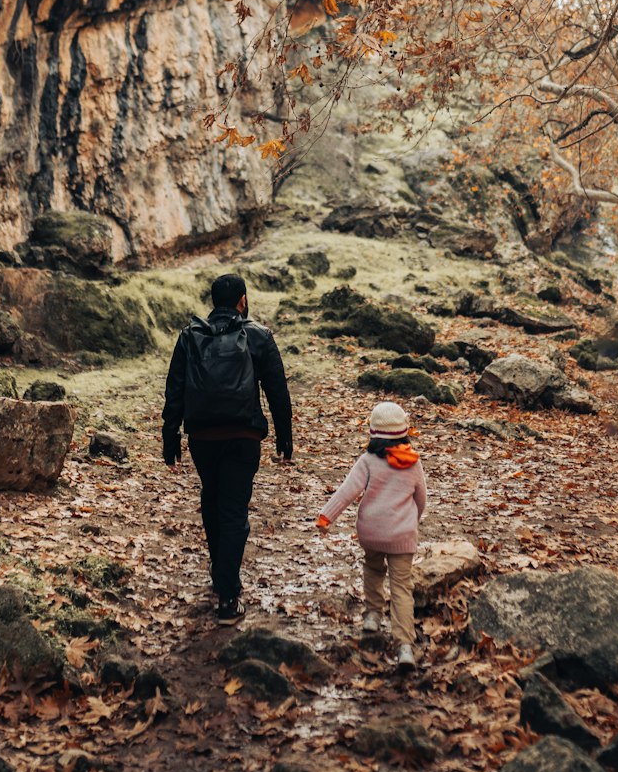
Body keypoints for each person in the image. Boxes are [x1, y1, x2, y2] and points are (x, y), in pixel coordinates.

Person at [163, 273, 293, 625]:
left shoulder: (190, 336)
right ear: (242, 301)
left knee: (212, 498)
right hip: (243, 437)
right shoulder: (259, 335)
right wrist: (285, 437)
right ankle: (228, 596)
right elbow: (278, 391)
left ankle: (220, 571)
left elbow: (175, 389)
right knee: (234, 510)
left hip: (202, 438)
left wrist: (170, 436)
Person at [316, 400, 427, 670]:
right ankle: (404, 647)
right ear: (404, 431)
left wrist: (325, 516)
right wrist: (412, 520)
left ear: (372, 432)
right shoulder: (413, 463)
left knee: (373, 569)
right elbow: (421, 498)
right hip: (402, 535)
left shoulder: (367, 461)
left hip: (372, 532)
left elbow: (347, 491)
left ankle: (372, 616)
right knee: (401, 587)